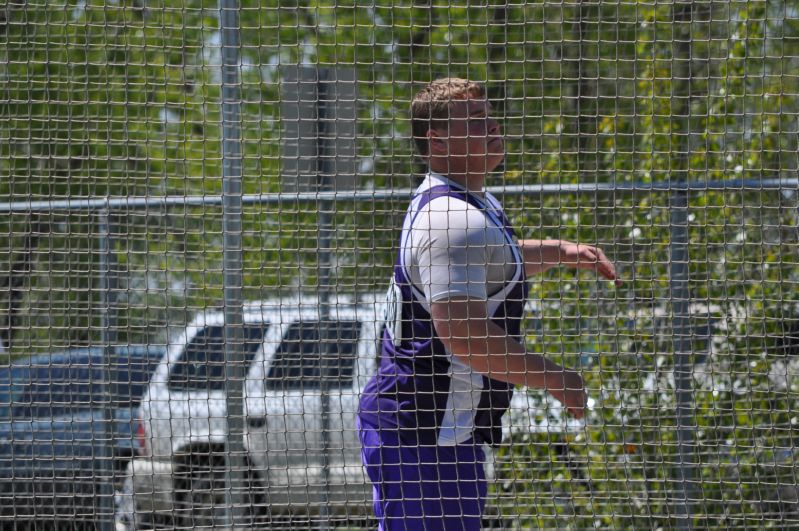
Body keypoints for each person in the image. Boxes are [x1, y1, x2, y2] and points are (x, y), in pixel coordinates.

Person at [357, 77, 621, 531]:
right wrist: (556, 378)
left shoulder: (470, 203)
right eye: (476, 119)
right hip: (423, 436)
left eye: (489, 114)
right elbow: (466, 338)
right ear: (437, 140)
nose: (494, 124)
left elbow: (496, 260)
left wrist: (561, 252)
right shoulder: (450, 219)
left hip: (437, 432)